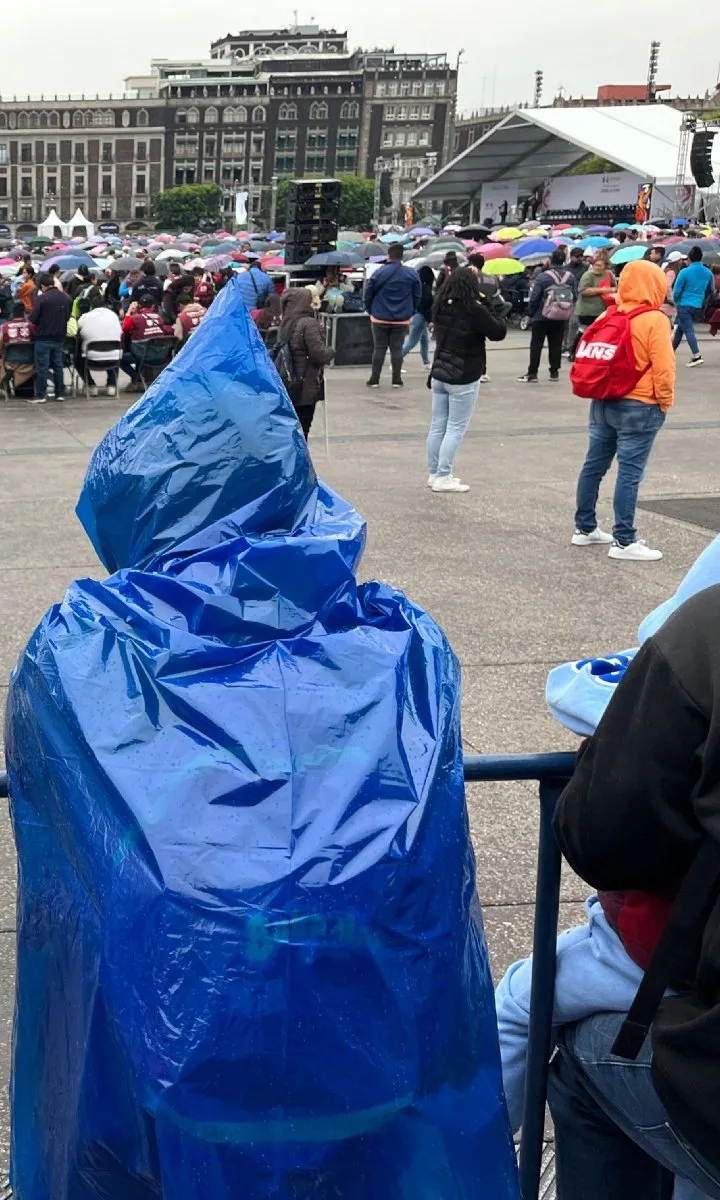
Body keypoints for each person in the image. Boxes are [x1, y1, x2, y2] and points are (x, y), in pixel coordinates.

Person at [544, 582, 720, 1199]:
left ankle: (464, 1163)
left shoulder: (704, 630)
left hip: (668, 974)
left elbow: (601, 838)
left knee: (580, 1053)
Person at [571, 258, 676, 562]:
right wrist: (664, 401)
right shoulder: (654, 319)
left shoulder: (610, 312)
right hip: (639, 405)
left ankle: (585, 527)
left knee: (593, 466)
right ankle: (624, 539)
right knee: (629, 473)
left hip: (602, 400)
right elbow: (664, 369)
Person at [425, 266, 507, 493]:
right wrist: (488, 304)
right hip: (463, 373)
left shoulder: (440, 305)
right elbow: (498, 332)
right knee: (455, 427)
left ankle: (434, 473)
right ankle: (443, 475)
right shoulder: (474, 309)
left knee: (437, 425)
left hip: (440, 370)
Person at [273, 286, 332, 440]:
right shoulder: (308, 323)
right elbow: (320, 354)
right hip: (306, 386)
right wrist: (331, 351)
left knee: (291, 430)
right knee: (303, 429)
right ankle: (300, 462)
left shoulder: (286, 323)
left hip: (289, 383)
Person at [363, 242, 420, 389]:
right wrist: (411, 311)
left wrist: (370, 309)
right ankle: (396, 379)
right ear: (402, 256)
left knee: (379, 348)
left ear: (389, 255)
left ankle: (374, 379)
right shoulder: (411, 273)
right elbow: (417, 296)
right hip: (401, 318)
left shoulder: (379, 272)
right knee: (397, 348)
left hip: (379, 316)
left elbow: (368, 293)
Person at [521, 247, 577, 383]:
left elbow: (534, 297)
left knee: (536, 345)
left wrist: (531, 312)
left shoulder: (543, 277)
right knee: (556, 343)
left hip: (541, 315)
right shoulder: (570, 277)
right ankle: (554, 371)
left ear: (550, 261)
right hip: (561, 314)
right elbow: (574, 295)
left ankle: (533, 373)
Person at [29, 273, 72, 404]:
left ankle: (41, 395)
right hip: (59, 337)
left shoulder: (41, 299)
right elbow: (68, 317)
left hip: (43, 338)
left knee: (43, 367)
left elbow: (33, 319)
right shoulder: (66, 298)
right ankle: (59, 393)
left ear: (42, 286)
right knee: (58, 365)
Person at [119, 294, 172, 393]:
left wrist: (129, 311)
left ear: (140, 306)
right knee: (141, 349)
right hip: (161, 356)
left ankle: (137, 379)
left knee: (120, 359)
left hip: (143, 355)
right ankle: (140, 380)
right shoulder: (159, 317)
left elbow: (125, 328)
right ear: (153, 306)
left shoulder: (135, 318)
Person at [670, 247, 709, 367]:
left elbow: (676, 291)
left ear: (689, 258)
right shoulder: (708, 272)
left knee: (688, 330)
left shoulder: (684, 272)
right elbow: (711, 290)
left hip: (684, 304)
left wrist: (676, 301)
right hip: (698, 304)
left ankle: (697, 355)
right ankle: (670, 353)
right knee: (681, 329)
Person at [573, 249, 615, 357]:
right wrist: (603, 290)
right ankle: (574, 351)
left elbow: (615, 288)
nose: (597, 267)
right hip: (587, 309)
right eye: (596, 265)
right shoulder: (588, 275)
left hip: (603, 309)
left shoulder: (609, 275)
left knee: (600, 333)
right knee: (585, 331)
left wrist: (612, 291)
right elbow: (583, 291)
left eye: (600, 265)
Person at [77, 300, 123, 396]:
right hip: (113, 358)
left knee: (77, 360)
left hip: (91, 359)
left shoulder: (85, 317)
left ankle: (90, 385)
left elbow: (78, 329)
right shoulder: (113, 316)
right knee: (113, 353)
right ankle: (112, 385)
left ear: (91, 307)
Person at [404, 265, 436, 368]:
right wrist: (430, 320)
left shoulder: (417, 286)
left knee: (424, 340)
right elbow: (426, 307)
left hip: (416, 315)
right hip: (421, 317)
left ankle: (426, 362)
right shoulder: (426, 289)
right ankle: (397, 359)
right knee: (412, 341)